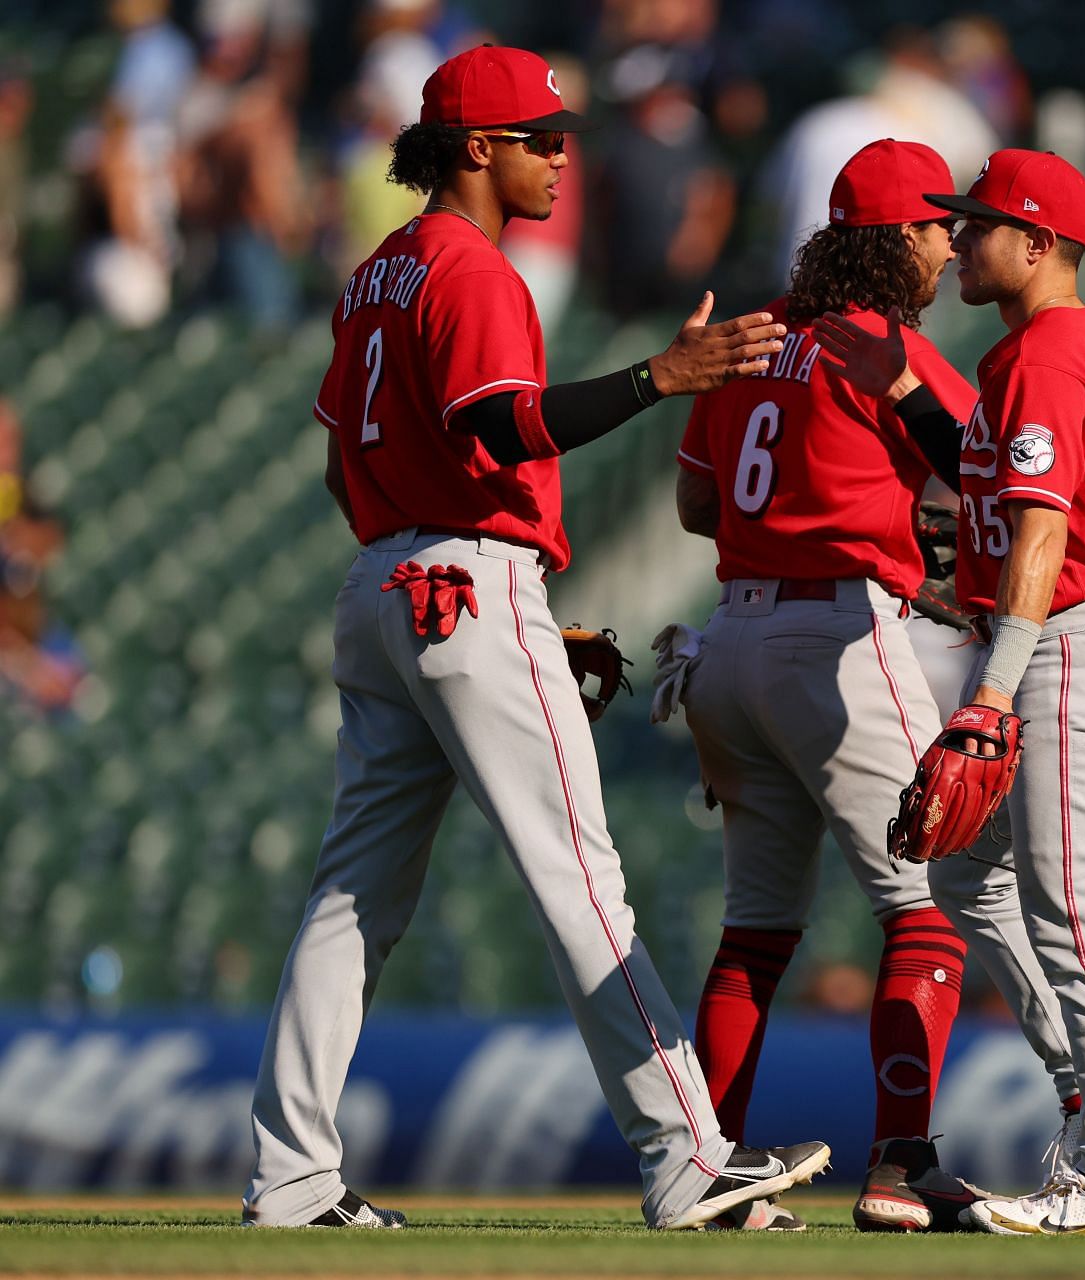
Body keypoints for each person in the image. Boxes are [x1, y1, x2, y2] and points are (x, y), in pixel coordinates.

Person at [242, 45, 827, 1232]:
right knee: (578, 872)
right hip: (460, 575)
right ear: (475, 149)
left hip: (389, 581)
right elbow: (502, 425)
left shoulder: (376, 274)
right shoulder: (470, 269)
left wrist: (437, 570)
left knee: (352, 894)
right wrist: (659, 378)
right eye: (541, 139)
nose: (565, 155)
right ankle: (684, 1152)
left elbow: (341, 460)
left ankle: (290, 1177)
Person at [814, 148, 1085, 1237]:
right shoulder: (1054, 348)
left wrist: (988, 693)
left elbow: (1042, 527)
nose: (961, 238)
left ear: (1037, 246)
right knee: (970, 879)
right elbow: (1001, 492)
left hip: (1069, 644)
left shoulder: (1043, 351)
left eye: (980, 223)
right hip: (1054, 637)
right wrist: (900, 389)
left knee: (1076, 915)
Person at [668, 138, 985, 1232]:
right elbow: (986, 474)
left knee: (756, 930)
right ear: (898, 239)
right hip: (840, 638)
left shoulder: (754, 335)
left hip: (731, 643)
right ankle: (901, 1163)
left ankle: (705, 1170)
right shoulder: (882, 343)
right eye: (940, 225)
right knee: (925, 913)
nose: (951, 243)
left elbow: (700, 511)